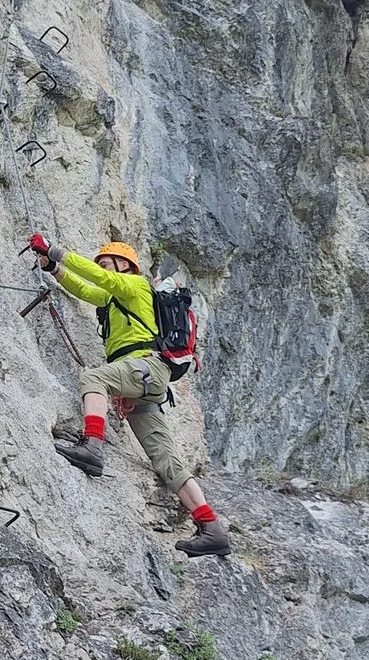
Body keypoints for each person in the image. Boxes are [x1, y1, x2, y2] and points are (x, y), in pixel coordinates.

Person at [27, 233, 231, 558]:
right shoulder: (112, 299)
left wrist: (55, 250)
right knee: (165, 459)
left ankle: (92, 445)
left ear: (126, 266)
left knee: (94, 378)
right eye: (104, 264)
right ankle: (211, 528)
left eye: (109, 263)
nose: (105, 269)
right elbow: (87, 289)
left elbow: (100, 278)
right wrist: (53, 268)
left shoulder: (135, 286)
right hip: (145, 380)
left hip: (145, 366)